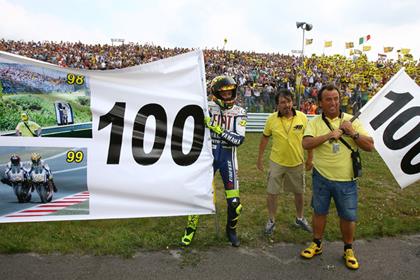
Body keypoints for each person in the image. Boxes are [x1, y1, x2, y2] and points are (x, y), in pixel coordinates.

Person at [300, 84, 374, 270]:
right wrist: (328, 136)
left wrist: (352, 133)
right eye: (328, 99)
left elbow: (370, 146)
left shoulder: (351, 120)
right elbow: (306, 143)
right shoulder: (314, 122)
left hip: (347, 179)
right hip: (321, 177)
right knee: (319, 212)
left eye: (336, 99)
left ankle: (348, 249)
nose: (333, 103)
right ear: (320, 103)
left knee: (348, 216)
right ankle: (317, 244)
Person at [181, 75, 247, 247]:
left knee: (234, 202)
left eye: (230, 92)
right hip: (207, 158)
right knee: (198, 194)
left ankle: (231, 230)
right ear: (216, 93)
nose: (228, 96)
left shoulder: (240, 112)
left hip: (228, 158)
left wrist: (216, 128)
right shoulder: (206, 107)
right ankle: (190, 229)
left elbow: (238, 140)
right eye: (224, 93)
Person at [257, 89, 313, 235]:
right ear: (277, 105)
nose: (286, 105)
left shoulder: (302, 117)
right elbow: (264, 138)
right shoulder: (271, 119)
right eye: (283, 102)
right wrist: (260, 158)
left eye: (289, 101)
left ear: (292, 102)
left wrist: (310, 158)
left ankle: (299, 218)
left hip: (297, 162)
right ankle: (271, 220)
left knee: (299, 192)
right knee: (272, 192)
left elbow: (309, 139)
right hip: (277, 162)